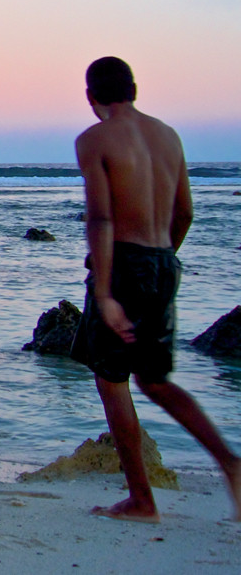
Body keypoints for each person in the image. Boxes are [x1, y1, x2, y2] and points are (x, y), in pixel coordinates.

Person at [70, 56, 241, 522]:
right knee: (155, 379)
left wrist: (105, 293)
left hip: (123, 265)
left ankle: (142, 500)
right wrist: (161, 262)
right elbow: (184, 212)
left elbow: (101, 218)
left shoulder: (95, 139)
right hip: (165, 260)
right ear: (135, 89)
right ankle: (231, 463)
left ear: (91, 98)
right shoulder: (168, 135)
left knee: (112, 381)